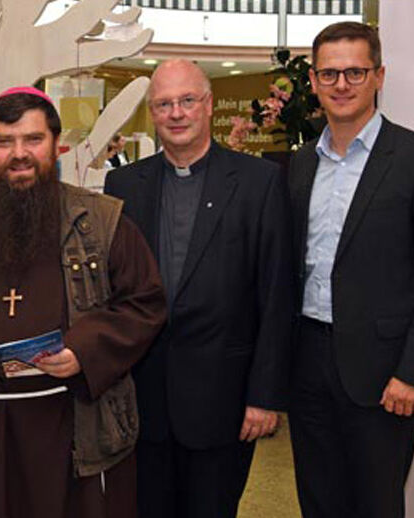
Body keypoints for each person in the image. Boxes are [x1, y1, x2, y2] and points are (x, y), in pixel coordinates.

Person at [0, 87, 167, 518]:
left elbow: (145, 303)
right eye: (4, 142)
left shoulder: (102, 221)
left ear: (55, 143)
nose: (19, 154)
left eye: (33, 140)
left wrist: (84, 351)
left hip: (77, 423)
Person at [287, 22, 414, 518]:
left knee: (375, 506)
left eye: (354, 72)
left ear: (378, 76)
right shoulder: (300, 165)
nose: (341, 84)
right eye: (329, 73)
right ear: (315, 82)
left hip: (384, 375)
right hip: (307, 362)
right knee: (317, 501)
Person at [103, 59, 295, 518]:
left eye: (187, 100)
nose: (176, 113)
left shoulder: (259, 182)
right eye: (164, 104)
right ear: (152, 112)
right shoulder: (124, 184)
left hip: (223, 401)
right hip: (144, 400)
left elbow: (276, 295)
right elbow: (111, 293)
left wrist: (265, 396)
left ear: (208, 106)